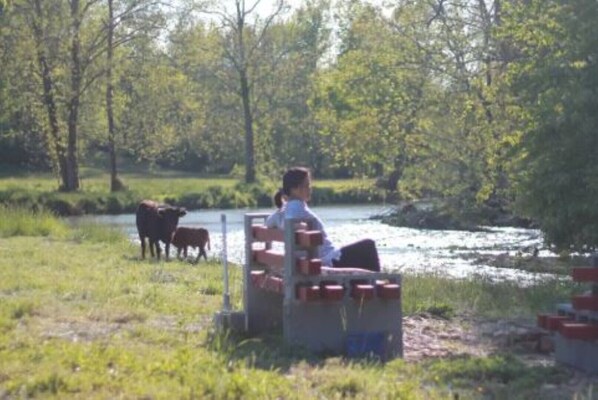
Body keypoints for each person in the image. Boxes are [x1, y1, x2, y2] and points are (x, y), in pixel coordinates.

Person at [269, 166, 381, 272]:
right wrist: (299, 227)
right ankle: (378, 286)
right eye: (307, 185)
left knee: (363, 249)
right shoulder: (295, 208)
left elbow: (268, 223)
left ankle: (374, 284)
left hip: (323, 259)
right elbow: (290, 223)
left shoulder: (285, 209)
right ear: (295, 189)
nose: (310, 189)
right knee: (368, 245)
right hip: (327, 262)